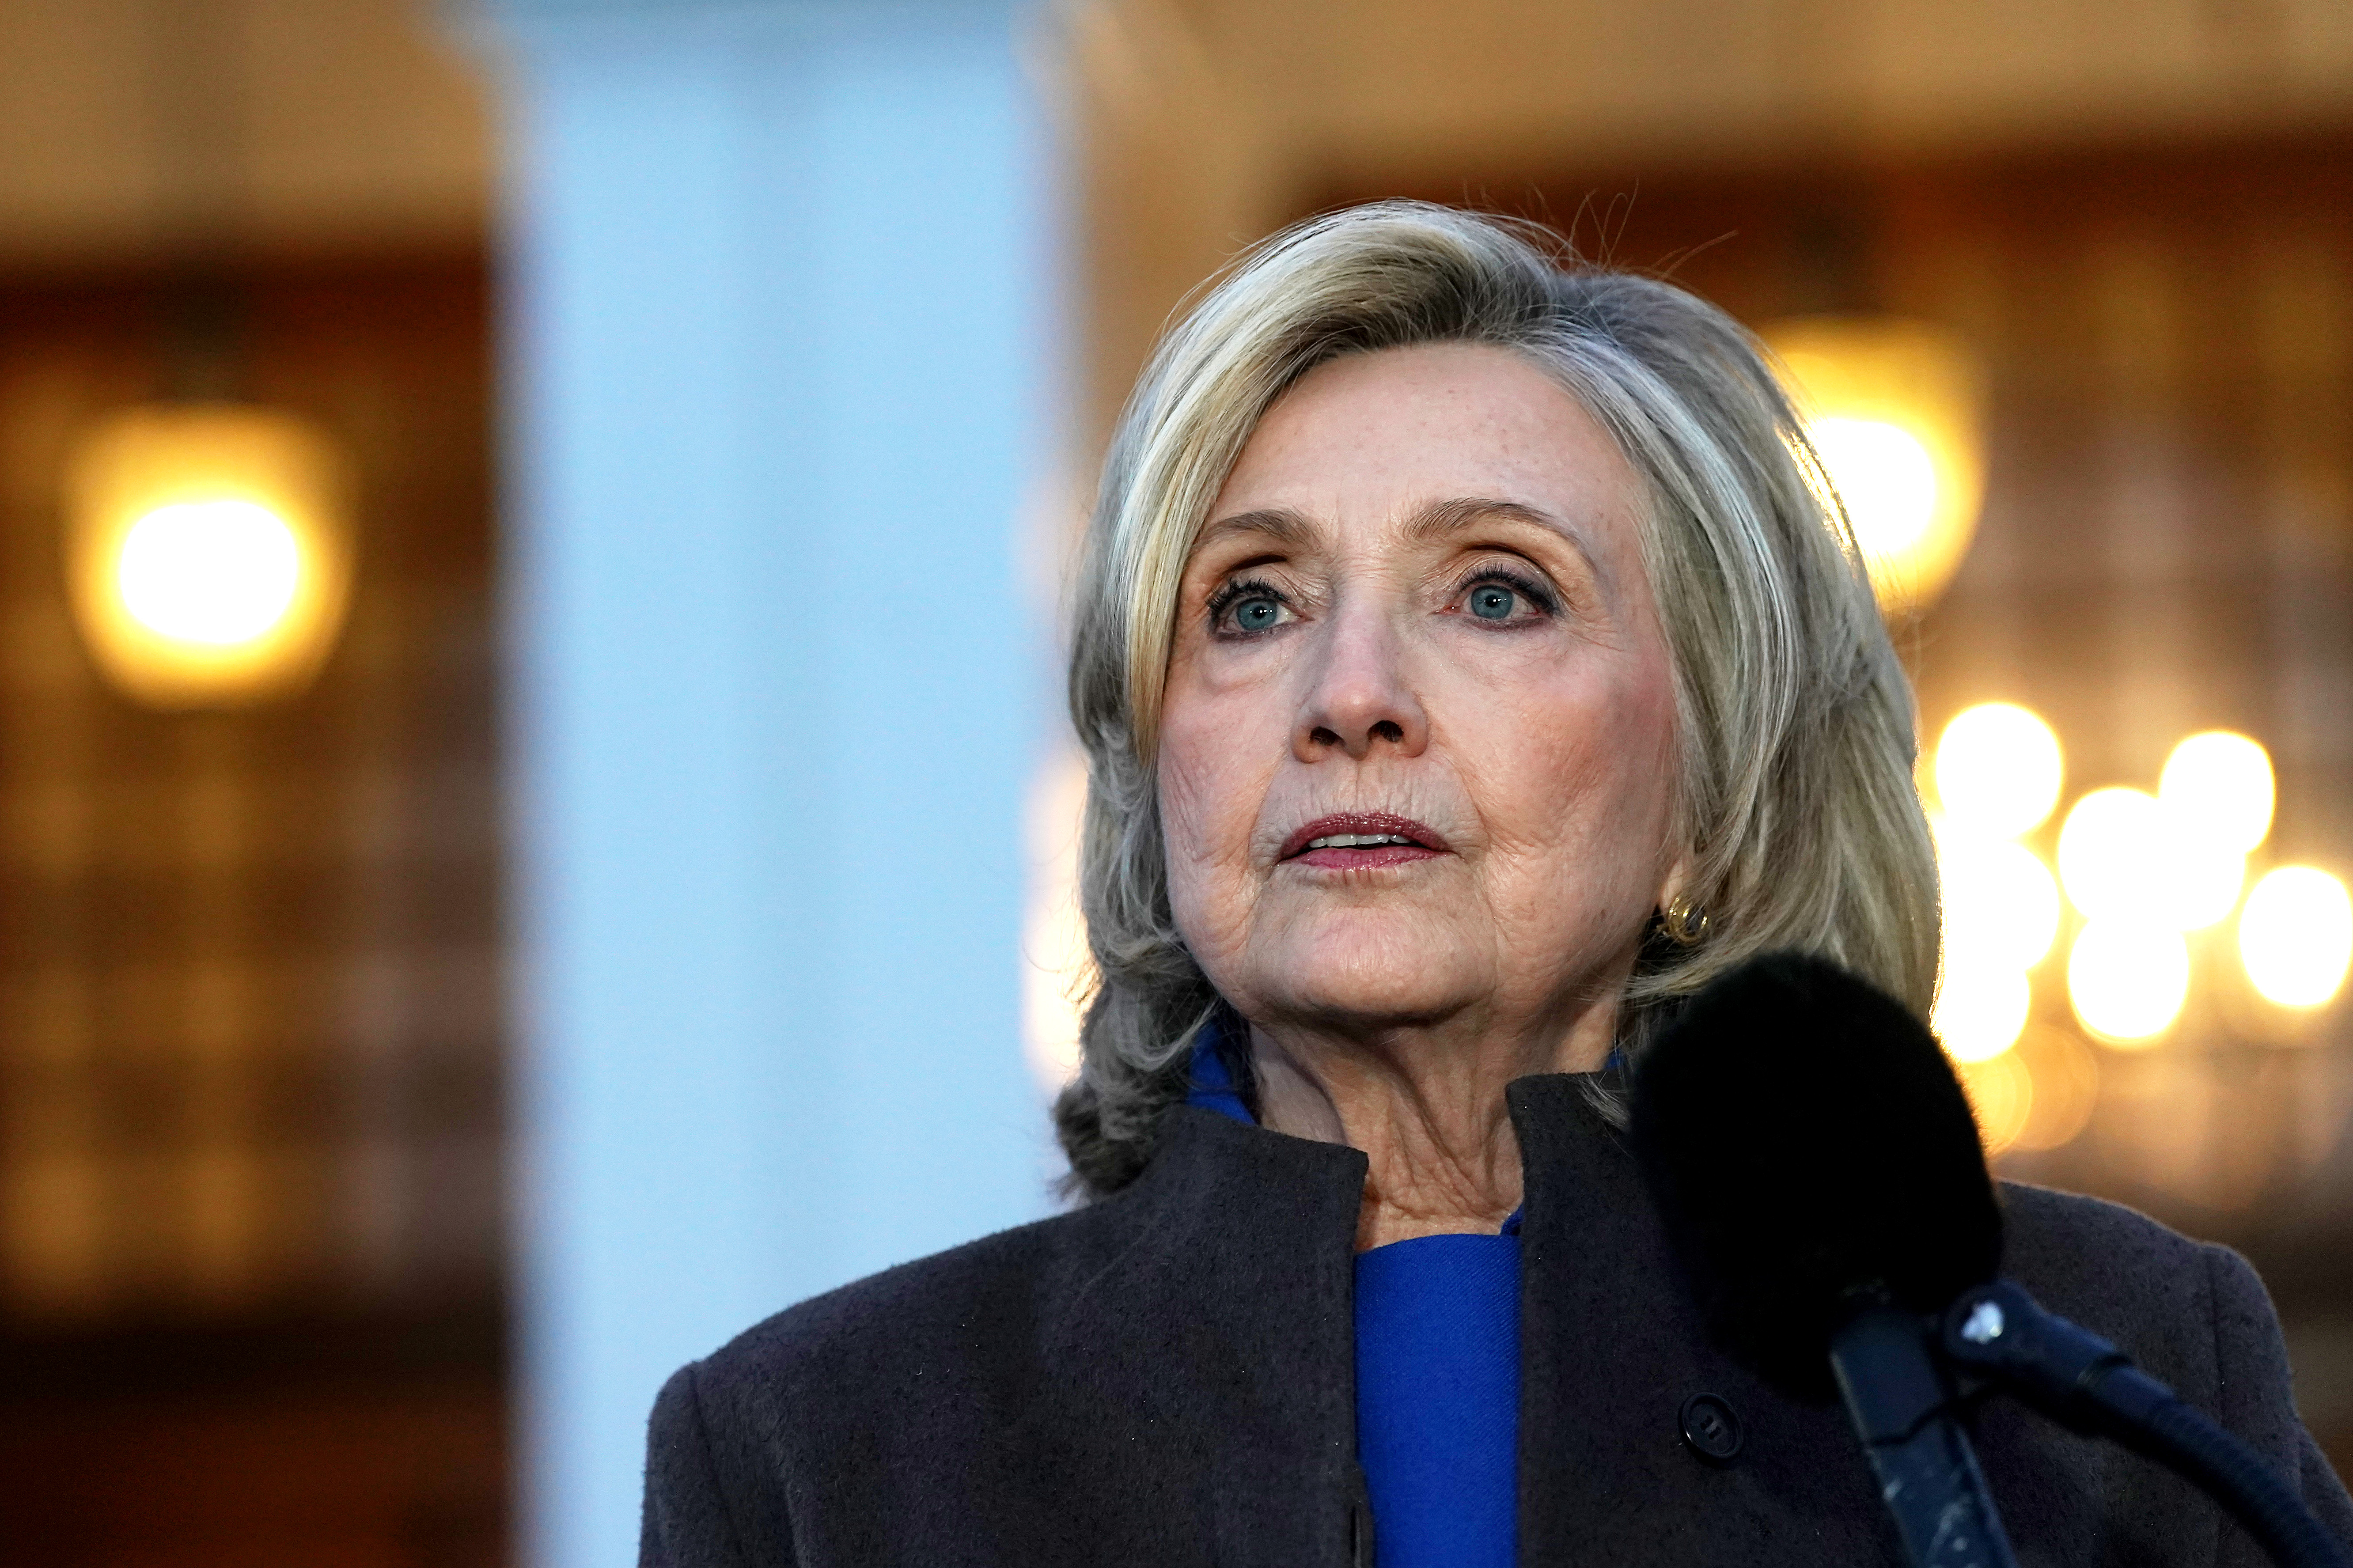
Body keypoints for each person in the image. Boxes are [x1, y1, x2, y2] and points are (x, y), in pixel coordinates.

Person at [637, 202, 2353, 1567]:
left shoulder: (2108, 1375)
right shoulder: (815, 1455)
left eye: (1498, 592)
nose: (1348, 690)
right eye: (1249, 604)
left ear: (1713, 787)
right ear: (1158, 762)